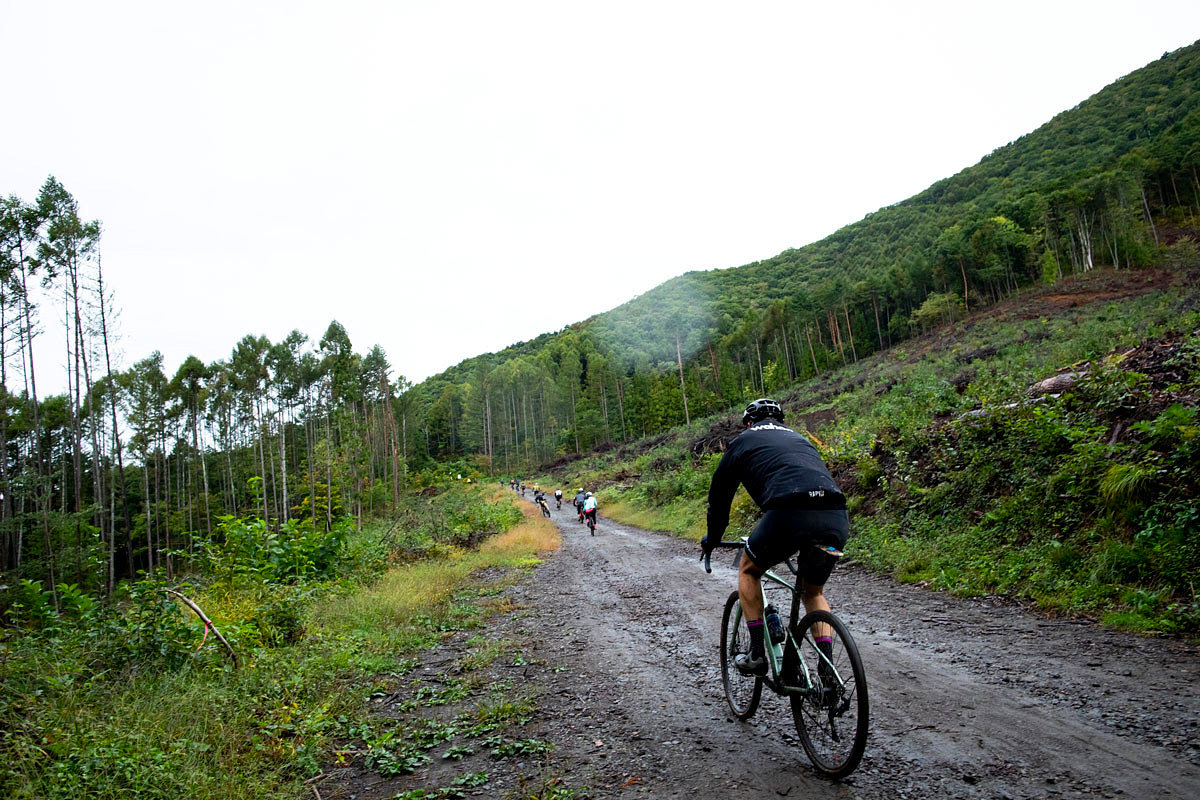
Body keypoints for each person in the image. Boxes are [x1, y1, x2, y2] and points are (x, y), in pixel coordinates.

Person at [700, 398, 849, 677]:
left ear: (748, 423)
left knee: (749, 569)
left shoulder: (743, 441)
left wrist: (712, 539)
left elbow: (719, 501)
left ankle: (757, 653)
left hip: (788, 513)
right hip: (835, 515)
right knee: (813, 591)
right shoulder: (800, 439)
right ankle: (828, 674)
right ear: (781, 421)